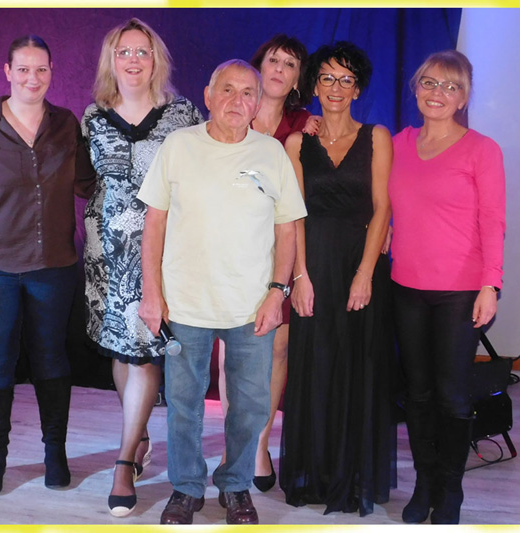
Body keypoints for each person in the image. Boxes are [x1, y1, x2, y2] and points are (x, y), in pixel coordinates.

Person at [138, 59, 306, 525]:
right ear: (208, 96)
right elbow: (155, 223)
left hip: (251, 307)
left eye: (248, 92)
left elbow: (287, 229)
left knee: (250, 407)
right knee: (183, 405)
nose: (237, 100)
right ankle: (186, 488)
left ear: (258, 102)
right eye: (227, 90)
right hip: (185, 303)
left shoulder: (271, 153)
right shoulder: (179, 146)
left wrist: (277, 293)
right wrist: (152, 293)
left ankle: (235, 486)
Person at [0, 35, 95, 496]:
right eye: (23, 69)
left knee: (51, 357)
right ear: (7, 72)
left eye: (41, 69)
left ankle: (55, 453)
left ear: (52, 72)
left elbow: (87, 182)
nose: (32, 78)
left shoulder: (66, 124)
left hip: (54, 267)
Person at [81, 18, 203, 518]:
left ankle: (124, 461)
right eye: (124, 52)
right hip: (106, 254)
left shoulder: (183, 114)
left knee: (145, 353)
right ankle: (139, 433)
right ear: (112, 60)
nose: (133, 60)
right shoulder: (92, 116)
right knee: (122, 349)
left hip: (160, 251)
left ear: (157, 61)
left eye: (142, 52)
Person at [279, 41, 396, 516]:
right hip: (314, 265)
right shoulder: (295, 143)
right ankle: (317, 472)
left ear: (358, 89)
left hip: (360, 263)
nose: (335, 87)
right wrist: (300, 277)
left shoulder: (377, 136)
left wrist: (365, 274)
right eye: (327, 77)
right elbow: (293, 215)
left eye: (346, 79)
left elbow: (382, 208)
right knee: (317, 366)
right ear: (313, 85)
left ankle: (354, 473)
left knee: (358, 367)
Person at [388, 50, 505, 524]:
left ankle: (451, 488)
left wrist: (491, 284)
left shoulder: (482, 149)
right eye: (430, 83)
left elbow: (493, 220)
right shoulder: (397, 143)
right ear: (416, 88)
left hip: (462, 291)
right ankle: (425, 482)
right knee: (417, 394)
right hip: (406, 287)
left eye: (451, 86)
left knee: (452, 395)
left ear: (464, 99)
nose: (438, 93)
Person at [215, 33, 315, 494]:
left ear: (297, 79)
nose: (279, 69)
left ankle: (258, 443)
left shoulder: (306, 126)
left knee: (276, 350)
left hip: (282, 249)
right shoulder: (231, 111)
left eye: (290, 64)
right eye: (273, 60)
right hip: (232, 248)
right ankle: (230, 444)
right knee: (230, 352)